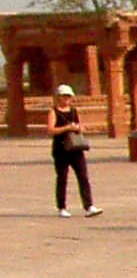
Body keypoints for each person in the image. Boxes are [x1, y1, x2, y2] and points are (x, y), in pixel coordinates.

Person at [46, 84, 100, 218]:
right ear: (58, 97)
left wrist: (79, 128)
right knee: (62, 178)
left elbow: (79, 126)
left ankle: (89, 205)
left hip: (75, 148)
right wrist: (67, 128)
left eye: (68, 97)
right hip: (61, 148)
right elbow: (50, 130)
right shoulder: (53, 112)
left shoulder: (73, 111)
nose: (67, 99)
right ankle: (62, 207)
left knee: (83, 176)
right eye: (64, 96)